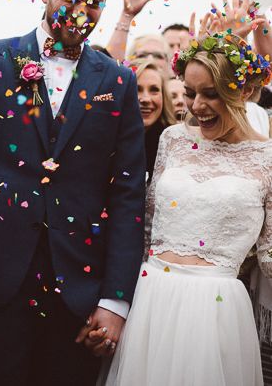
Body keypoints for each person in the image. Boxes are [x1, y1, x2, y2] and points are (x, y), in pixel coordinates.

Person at [0, 0, 147, 385]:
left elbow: (128, 194)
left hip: (79, 292)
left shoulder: (119, 81)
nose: (82, 11)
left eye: (95, 3)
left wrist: (115, 301)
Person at [101, 32, 272, 386]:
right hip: (151, 298)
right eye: (191, 93)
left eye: (211, 93)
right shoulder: (173, 140)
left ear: (242, 91)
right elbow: (146, 228)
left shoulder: (267, 159)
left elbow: (269, 256)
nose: (196, 106)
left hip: (216, 308)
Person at [133, 58, 177, 180]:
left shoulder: (176, 145)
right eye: (137, 89)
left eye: (154, 90)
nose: (146, 99)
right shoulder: (107, 142)